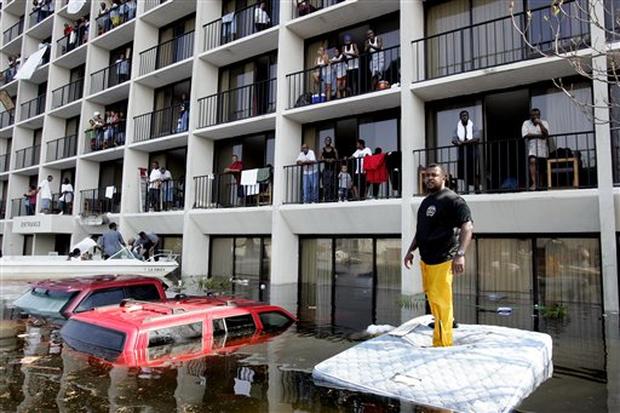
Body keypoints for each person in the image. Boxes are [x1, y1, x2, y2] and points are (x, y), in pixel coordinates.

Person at [403, 164, 474, 347]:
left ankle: (443, 344)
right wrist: (411, 251)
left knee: (442, 303)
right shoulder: (426, 201)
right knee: (434, 300)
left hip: (443, 259)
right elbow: (421, 231)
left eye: (434, 175)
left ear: (444, 178)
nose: (429, 178)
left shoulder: (452, 200)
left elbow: (467, 227)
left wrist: (460, 254)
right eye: (426, 175)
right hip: (426, 260)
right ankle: (444, 325)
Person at [452, 110, 481, 192]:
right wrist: (457, 142)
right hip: (462, 155)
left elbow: (476, 138)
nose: (464, 117)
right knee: (464, 173)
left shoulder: (473, 127)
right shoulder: (457, 128)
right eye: (463, 116)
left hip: (473, 154)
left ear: (468, 117)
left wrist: (463, 142)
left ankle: (477, 189)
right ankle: (466, 190)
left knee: (475, 172)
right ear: (460, 117)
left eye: (466, 115)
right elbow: (454, 139)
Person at [522, 108, 550, 190]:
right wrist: (540, 136)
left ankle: (541, 184)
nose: (535, 116)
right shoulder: (526, 123)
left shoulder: (544, 123)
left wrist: (540, 124)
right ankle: (534, 183)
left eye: (537, 115)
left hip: (543, 149)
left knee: (541, 168)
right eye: (533, 115)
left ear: (539, 115)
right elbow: (525, 135)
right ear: (530, 116)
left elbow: (546, 134)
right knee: (532, 161)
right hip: (532, 148)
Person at [320, 137, 338, 201]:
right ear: (324, 141)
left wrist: (333, 159)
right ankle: (325, 198)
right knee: (325, 184)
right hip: (326, 169)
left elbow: (337, 159)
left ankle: (332, 198)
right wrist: (326, 159)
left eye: (329, 140)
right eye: (326, 140)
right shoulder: (323, 149)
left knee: (332, 184)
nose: (328, 141)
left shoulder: (334, 149)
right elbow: (320, 158)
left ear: (331, 141)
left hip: (332, 169)